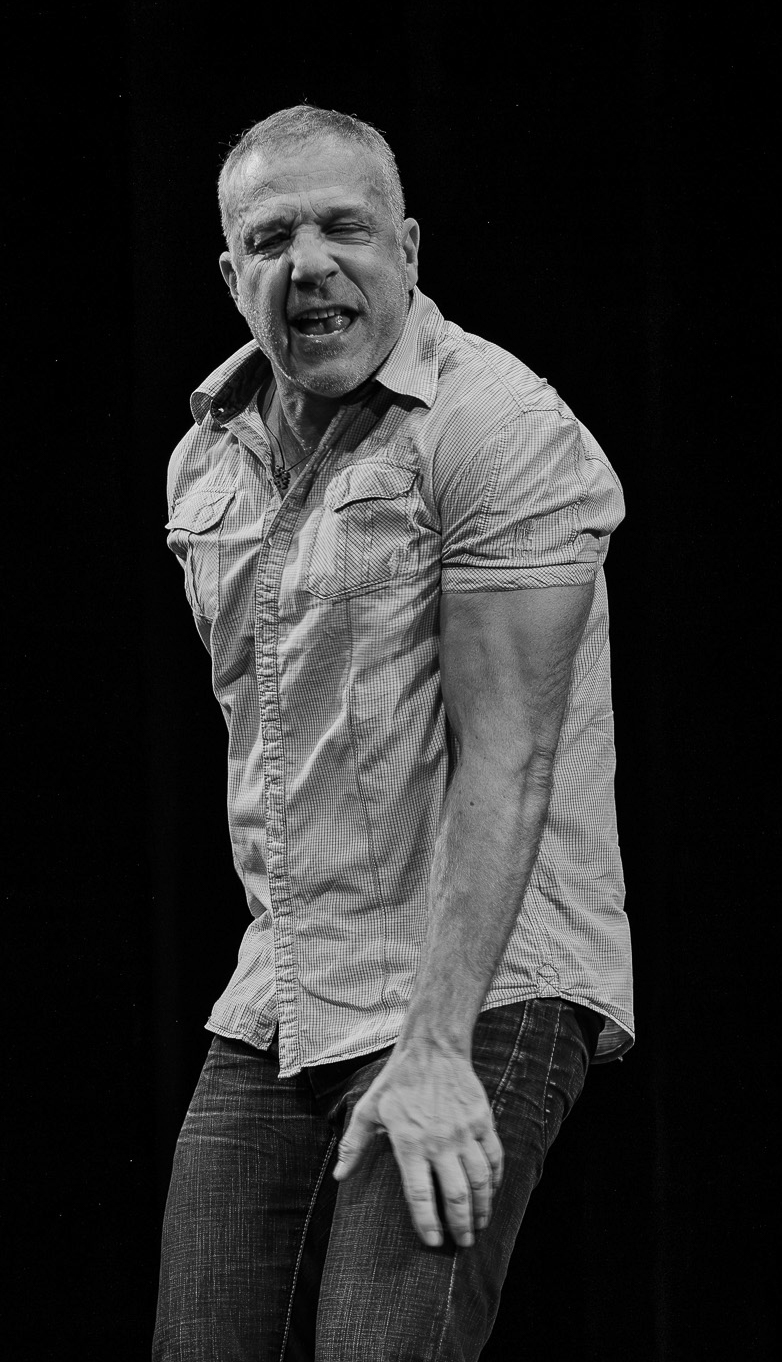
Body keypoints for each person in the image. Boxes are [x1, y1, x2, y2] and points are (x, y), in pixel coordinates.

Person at [150, 105, 633, 1361]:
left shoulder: (496, 425)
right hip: (289, 989)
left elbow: (513, 760)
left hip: (483, 981)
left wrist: (436, 1048)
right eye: (272, 239)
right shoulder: (206, 465)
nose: (309, 264)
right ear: (231, 273)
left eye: (345, 228)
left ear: (407, 249)